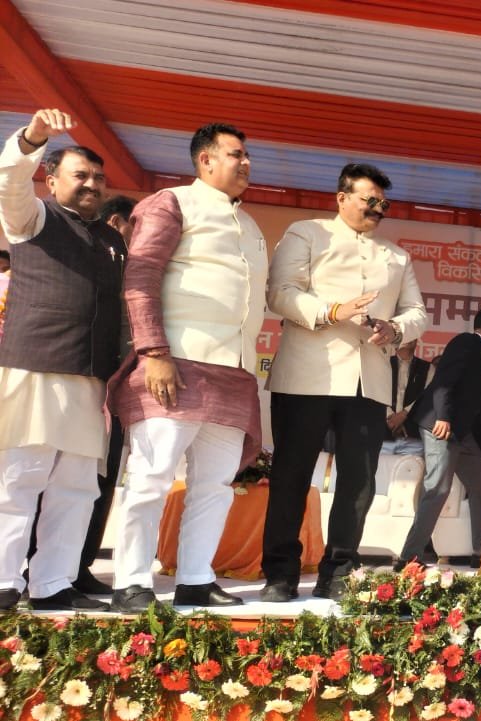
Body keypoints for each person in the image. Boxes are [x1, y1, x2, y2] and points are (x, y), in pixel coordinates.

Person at [108, 123, 266, 612]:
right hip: (176, 363)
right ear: (205, 160)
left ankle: (196, 579)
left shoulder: (250, 224)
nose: (245, 163)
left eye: (247, 155)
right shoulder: (172, 202)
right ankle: (131, 582)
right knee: (151, 476)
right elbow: (140, 275)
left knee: (216, 484)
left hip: (233, 372)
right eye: (236, 154)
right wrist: (154, 352)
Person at [261, 163, 427, 601]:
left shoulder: (397, 256)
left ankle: (339, 570)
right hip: (307, 374)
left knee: (359, 481)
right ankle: (280, 573)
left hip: (367, 380)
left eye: (383, 204)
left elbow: (417, 312)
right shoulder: (307, 233)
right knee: (292, 476)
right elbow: (280, 292)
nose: (377, 209)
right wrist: (333, 311)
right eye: (369, 200)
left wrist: (395, 329)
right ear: (341, 197)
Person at [0, 109, 126, 612]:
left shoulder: (112, 240)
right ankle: (4, 582)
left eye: (98, 177)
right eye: (81, 175)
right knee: (20, 479)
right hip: (35, 367)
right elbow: (9, 182)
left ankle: (52, 584)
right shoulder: (33, 218)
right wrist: (32, 138)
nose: (92, 184)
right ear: (51, 181)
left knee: (76, 487)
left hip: (91, 379)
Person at [398, 308, 481, 568]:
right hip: (440, 425)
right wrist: (443, 417)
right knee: (437, 488)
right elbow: (444, 380)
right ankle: (410, 557)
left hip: (460, 432)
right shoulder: (467, 342)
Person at [72, 194, 137, 595]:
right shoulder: (93, 263)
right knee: (69, 479)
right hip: (86, 384)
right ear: (116, 223)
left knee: (105, 478)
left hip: (120, 388)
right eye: (138, 227)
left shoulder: (139, 268)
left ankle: (80, 565)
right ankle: (44, 567)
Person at [383, 338, 431, 457]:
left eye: (411, 335)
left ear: (416, 341)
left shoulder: (428, 368)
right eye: (404, 335)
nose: (408, 338)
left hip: (413, 439)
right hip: (382, 436)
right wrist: (390, 416)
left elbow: (428, 396)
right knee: (377, 469)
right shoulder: (382, 363)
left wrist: (404, 414)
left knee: (412, 469)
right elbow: (374, 390)